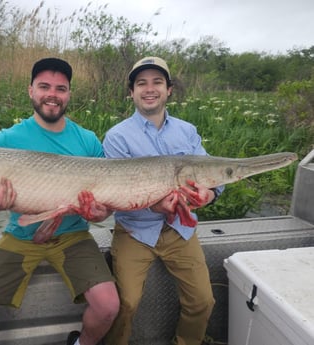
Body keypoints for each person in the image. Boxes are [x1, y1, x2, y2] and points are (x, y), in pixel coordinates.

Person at [0, 57, 119, 345]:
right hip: (21, 234)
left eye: (61, 88)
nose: (52, 95)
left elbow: (103, 210)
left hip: (73, 236)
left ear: (68, 94)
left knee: (108, 307)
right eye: (44, 86)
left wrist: (97, 214)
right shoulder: (4, 141)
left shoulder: (88, 141)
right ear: (31, 90)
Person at [102, 56, 224, 345]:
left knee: (204, 302)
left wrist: (208, 194)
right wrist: (155, 205)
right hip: (135, 231)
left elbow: (212, 174)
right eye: (141, 83)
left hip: (180, 230)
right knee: (126, 303)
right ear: (131, 92)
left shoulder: (187, 131)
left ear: (169, 89)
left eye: (157, 82)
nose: (149, 89)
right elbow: (117, 192)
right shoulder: (117, 136)